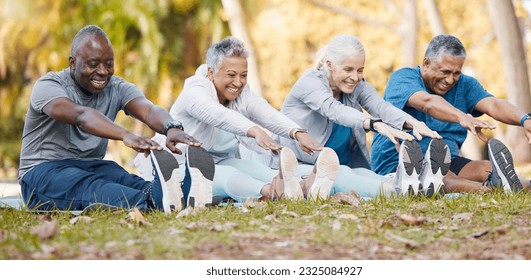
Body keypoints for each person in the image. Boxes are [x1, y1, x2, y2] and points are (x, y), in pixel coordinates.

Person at [18, 25, 203, 213]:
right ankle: (151, 201)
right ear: (72, 63)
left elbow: (148, 110)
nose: (103, 71)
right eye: (93, 64)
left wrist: (171, 127)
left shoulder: (116, 87)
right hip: (41, 174)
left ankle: (177, 194)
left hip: (91, 166)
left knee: (121, 177)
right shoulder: (48, 85)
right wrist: (125, 134)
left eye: (108, 64)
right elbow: (81, 115)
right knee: (91, 186)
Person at [135, 37, 340, 203]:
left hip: (215, 160)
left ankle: (305, 187)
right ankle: (274, 192)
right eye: (231, 75)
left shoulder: (240, 92)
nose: (238, 82)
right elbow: (217, 114)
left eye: (244, 75)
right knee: (226, 176)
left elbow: (264, 111)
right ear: (211, 72)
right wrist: (254, 130)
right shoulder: (194, 91)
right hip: (174, 168)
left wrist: (297, 132)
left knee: (256, 169)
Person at [371, 34, 531, 193]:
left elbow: (494, 104)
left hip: (447, 159)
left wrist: (524, 119)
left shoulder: (465, 84)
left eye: (456, 73)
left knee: (487, 168)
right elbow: (427, 103)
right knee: (443, 178)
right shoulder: (403, 78)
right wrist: (462, 117)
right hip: (401, 162)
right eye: (445, 71)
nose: (450, 79)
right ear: (426, 63)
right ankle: (488, 189)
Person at [279, 34, 447, 198]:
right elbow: (334, 110)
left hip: (343, 166)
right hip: (302, 167)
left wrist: (412, 122)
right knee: (343, 176)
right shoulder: (310, 82)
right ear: (329, 64)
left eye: (360, 70)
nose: (355, 77)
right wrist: (374, 124)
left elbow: (380, 106)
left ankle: (418, 182)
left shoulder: (356, 85)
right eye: (348, 70)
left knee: (365, 175)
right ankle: (398, 189)